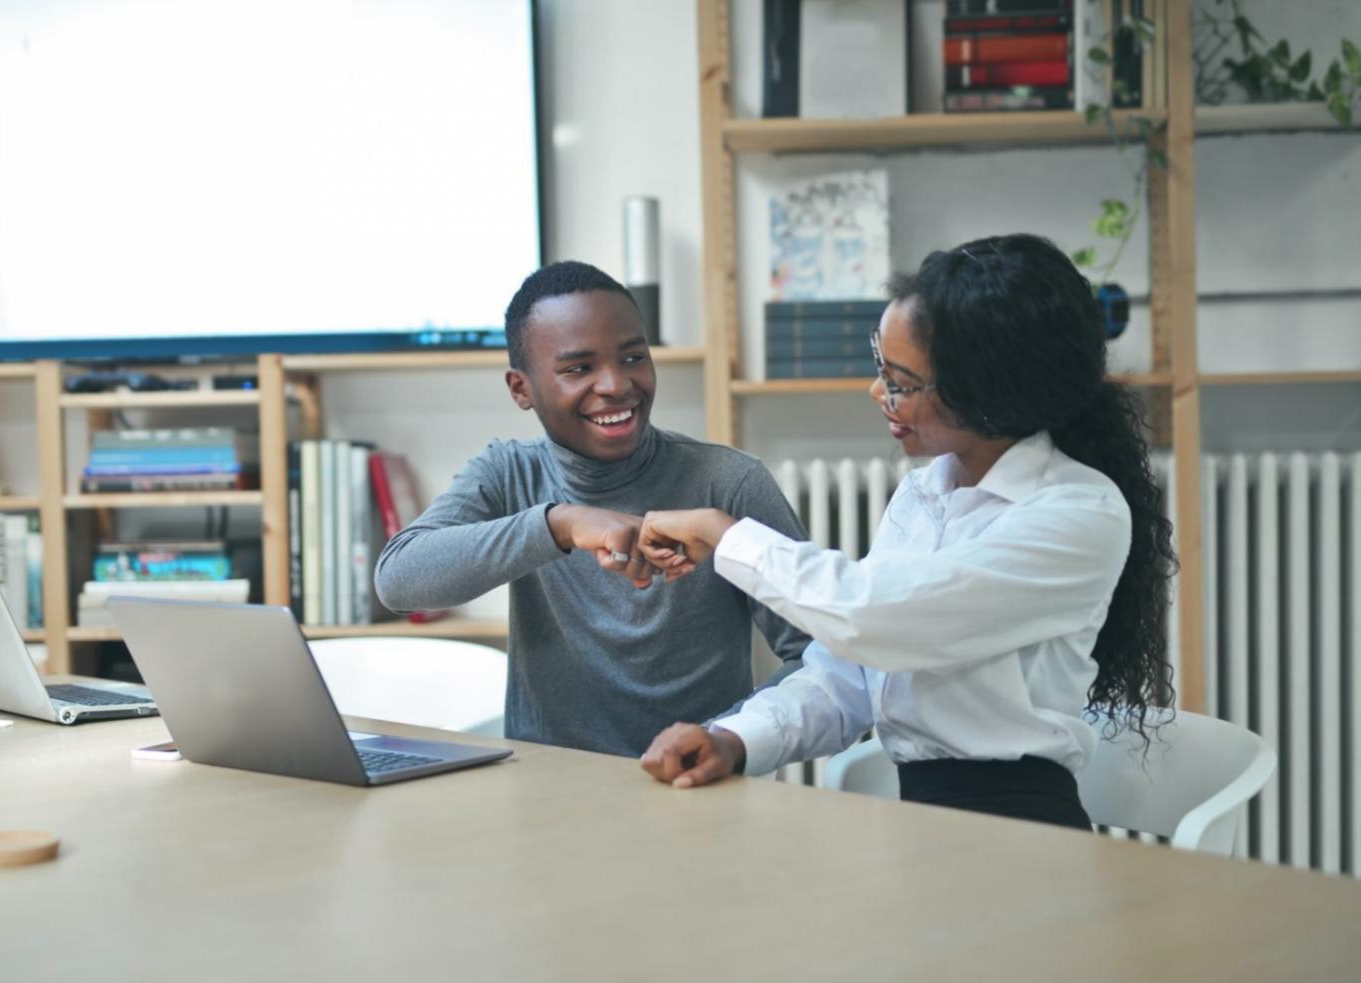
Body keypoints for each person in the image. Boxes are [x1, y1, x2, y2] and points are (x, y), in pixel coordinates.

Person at [635, 233, 1176, 830]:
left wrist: (724, 532)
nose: (878, 393)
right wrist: (735, 739)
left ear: (987, 392)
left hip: (1019, 825)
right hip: (923, 818)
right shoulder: (923, 495)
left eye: (900, 382)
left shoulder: (1078, 511)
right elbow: (850, 670)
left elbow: (871, 617)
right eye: (881, 368)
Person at [374, 260, 812, 757]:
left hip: (696, 781)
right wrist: (559, 524)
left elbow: (818, 655)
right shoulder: (507, 473)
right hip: (551, 787)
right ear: (521, 389)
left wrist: (729, 739)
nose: (616, 385)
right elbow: (399, 581)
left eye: (633, 358)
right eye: (579, 369)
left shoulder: (730, 482)